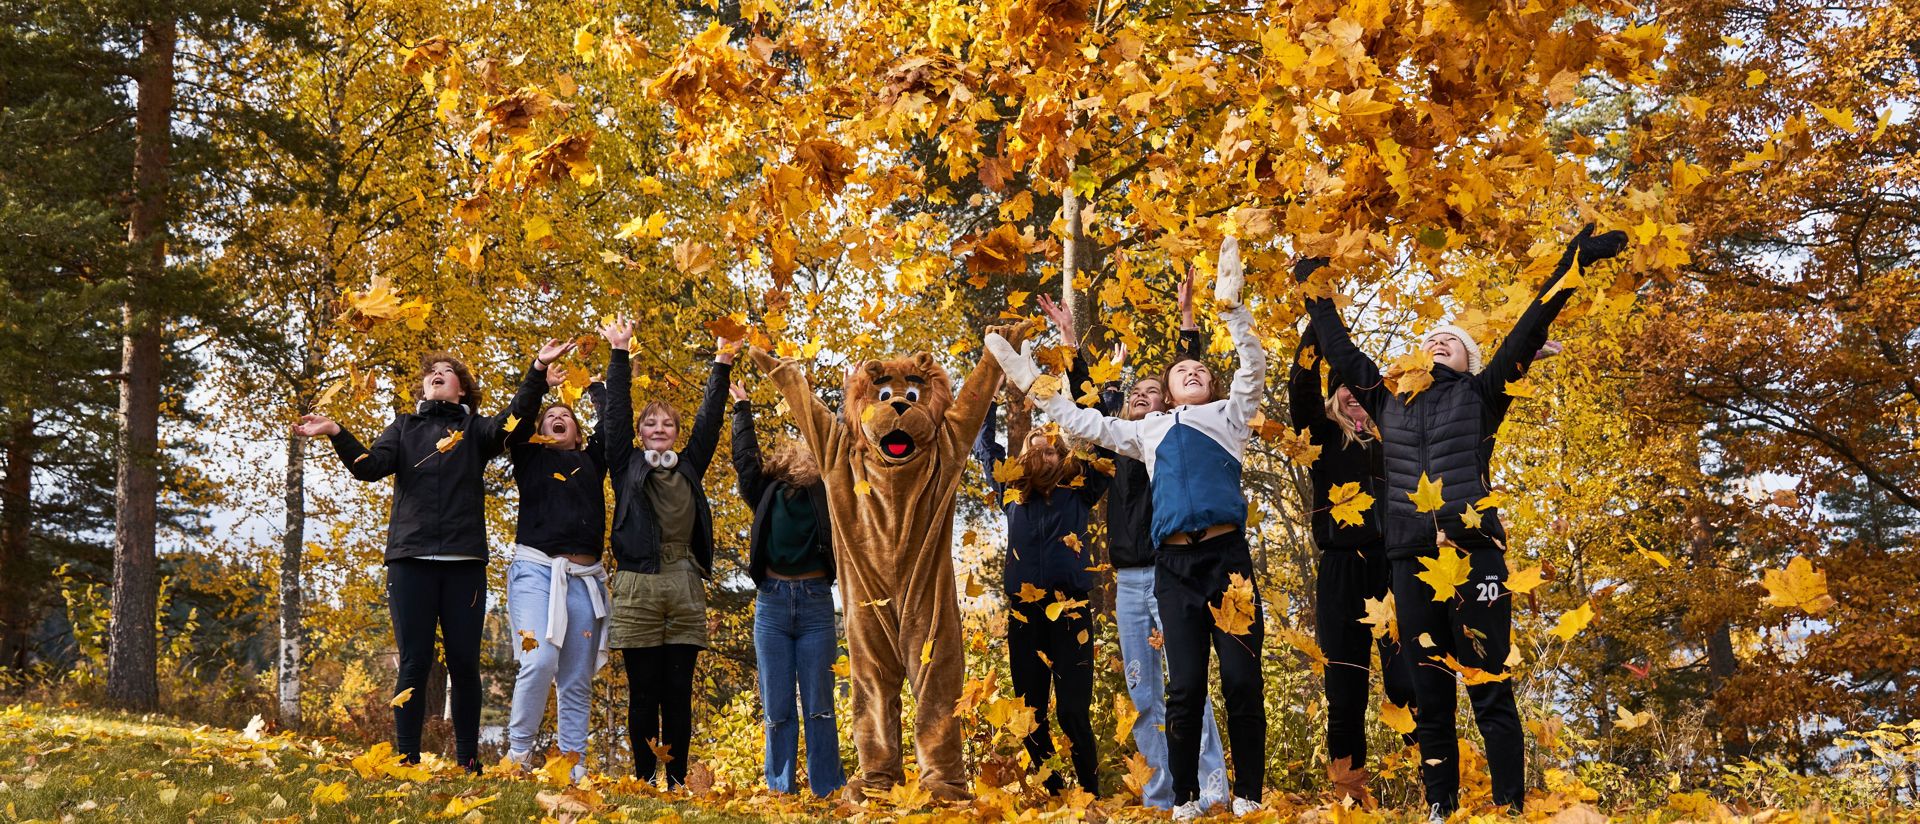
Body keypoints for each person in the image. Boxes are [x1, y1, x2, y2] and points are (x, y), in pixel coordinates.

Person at [1299, 223, 1628, 816]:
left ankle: (1509, 806)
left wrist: (1573, 263)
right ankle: (1441, 807)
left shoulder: (1482, 393)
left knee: (1489, 685)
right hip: (1410, 561)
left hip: (1474, 555)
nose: (1436, 340)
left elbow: (1530, 328)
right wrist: (1315, 291)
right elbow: (1340, 349)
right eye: (1430, 337)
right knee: (1430, 695)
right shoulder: (1386, 400)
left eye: (1449, 339)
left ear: (1470, 358)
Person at [988, 235, 1267, 821]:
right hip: (1173, 568)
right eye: (1181, 369)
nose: (1192, 370)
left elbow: (1252, 366)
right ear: (1166, 392)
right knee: (1182, 688)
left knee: (1241, 680)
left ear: (1210, 386)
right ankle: (1183, 799)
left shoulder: (1229, 416)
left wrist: (1231, 310)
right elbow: (1081, 419)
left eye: (1199, 368)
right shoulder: (1147, 433)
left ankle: (1247, 795)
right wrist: (1029, 378)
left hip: (1228, 561)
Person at [293, 339, 572, 771]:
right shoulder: (404, 427)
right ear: (425, 386)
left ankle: (468, 762)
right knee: (414, 662)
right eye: (431, 371)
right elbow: (368, 467)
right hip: (410, 560)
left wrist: (536, 370)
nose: (437, 374)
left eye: (447, 371)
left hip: (464, 563)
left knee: (464, 664)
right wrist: (335, 431)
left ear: (462, 389)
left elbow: (513, 423)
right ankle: (406, 758)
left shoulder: (476, 430)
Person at [1036, 285, 1229, 809]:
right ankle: (1161, 796)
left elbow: (1190, 379)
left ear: (1168, 403)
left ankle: (1211, 791)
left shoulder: (1172, 438)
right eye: (1135, 393)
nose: (1142, 397)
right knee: (1144, 694)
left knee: (1188, 687)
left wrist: (1188, 323)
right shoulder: (1119, 447)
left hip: (1172, 573)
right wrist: (1070, 339)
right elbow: (1086, 404)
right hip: (1129, 583)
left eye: (1152, 392)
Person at [599, 317, 734, 788]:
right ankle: (642, 780)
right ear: (640, 433)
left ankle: (675, 781)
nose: (660, 428)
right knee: (643, 692)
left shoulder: (690, 464)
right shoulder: (625, 464)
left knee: (677, 690)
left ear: (676, 432)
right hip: (637, 582)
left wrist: (722, 362)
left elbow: (710, 420)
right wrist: (620, 352)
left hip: (683, 581)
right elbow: (615, 415)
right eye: (651, 423)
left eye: (668, 423)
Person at [972, 355, 1110, 795]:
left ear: (1062, 454)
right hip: (1025, 616)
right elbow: (984, 447)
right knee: (1029, 714)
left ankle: (1089, 792)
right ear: (1022, 457)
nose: (1041, 452)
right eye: (1033, 447)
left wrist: (1093, 386)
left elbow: (1105, 443)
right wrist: (990, 398)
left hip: (1071, 612)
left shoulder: (1080, 489)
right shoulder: (1011, 491)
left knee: (1073, 711)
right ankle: (1056, 791)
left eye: (1050, 447)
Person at [1289, 317, 1415, 788]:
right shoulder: (1322, 435)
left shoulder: (1396, 438)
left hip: (1394, 567)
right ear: (1334, 394)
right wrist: (1318, 325)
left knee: (1407, 682)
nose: (1353, 394)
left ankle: (1432, 790)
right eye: (1343, 387)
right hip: (1341, 569)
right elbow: (1301, 387)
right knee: (1345, 687)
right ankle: (1348, 792)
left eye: (1360, 387)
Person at [730, 380, 845, 798]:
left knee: (820, 706)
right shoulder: (766, 492)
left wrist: (846, 403)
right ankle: (780, 789)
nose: (801, 451)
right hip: (773, 605)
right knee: (777, 707)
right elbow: (745, 460)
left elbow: (840, 449)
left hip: (815, 604)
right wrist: (742, 409)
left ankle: (827, 788)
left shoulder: (826, 490)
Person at [503, 362, 610, 782]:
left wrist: (595, 386)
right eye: (550, 416)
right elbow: (516, 421)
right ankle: (517, 753)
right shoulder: (529, 456)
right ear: (540, 430)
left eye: (565, 415)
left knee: (576, 677)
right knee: (539, 659)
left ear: (578, 433)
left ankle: (573, 763)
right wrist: (538, 378)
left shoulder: (592, 460)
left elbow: (612, 426)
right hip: (536, 572)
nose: (558, 417)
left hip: (584, 580)